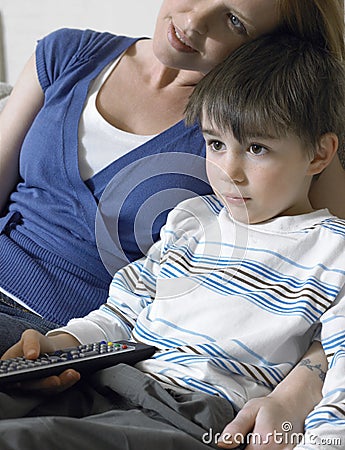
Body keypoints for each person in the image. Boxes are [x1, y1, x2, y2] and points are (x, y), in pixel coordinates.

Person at [0, 0, 342, 445]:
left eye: (234, 20)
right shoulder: (194, 217)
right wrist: (71, 342)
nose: (194, 20)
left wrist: (297, 410)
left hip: (174, 396)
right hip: (106, 367)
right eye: (214, 144)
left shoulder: (278, 125)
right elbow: (125, 305)